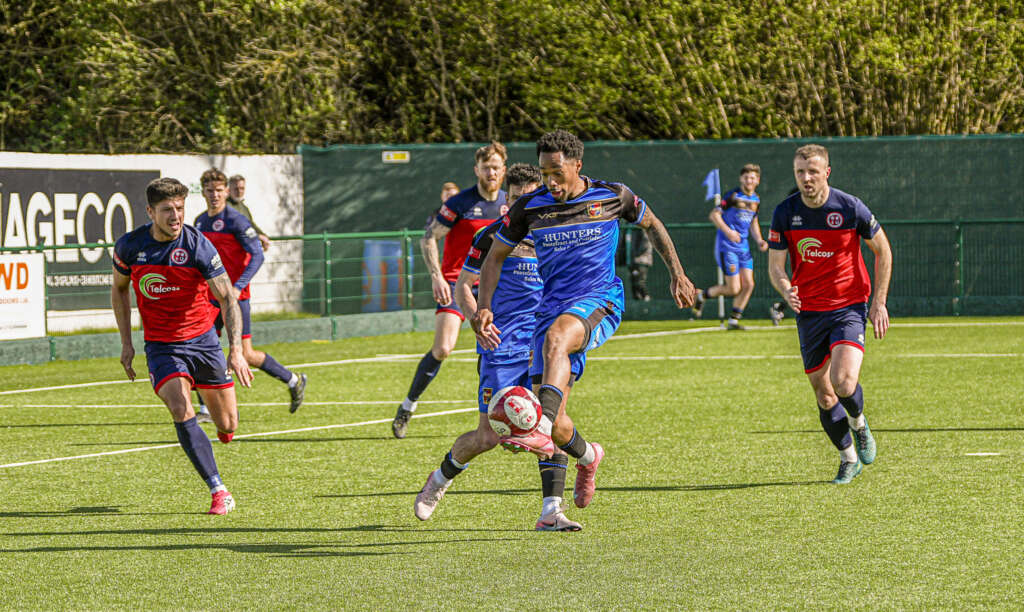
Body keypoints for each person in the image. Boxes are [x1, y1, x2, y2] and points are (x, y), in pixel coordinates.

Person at [472, 130, 697, 509]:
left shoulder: (612, 195)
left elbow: (652, 224)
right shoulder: (530, 207)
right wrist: (484, 306)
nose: (551, 181)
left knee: (557, 342)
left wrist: (677, 272)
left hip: (600, 300)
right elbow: (494, 257)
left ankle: (540, 427)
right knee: (560, 423)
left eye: (557, 172)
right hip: (550, 311)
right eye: (545, 173)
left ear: (578, 165)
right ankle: (589, 457)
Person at [414, 164, 581, 531]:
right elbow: (463, 285)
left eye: (530, 199)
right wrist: (476, 318)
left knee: (552, 424)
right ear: (507, 200)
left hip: (544, 347)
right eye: (517, 199)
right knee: (488, 436)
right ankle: (438, 481)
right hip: (501, 348)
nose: (523, 206)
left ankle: (551, 511)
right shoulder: (491, 237)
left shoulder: (556, 238)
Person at [111, 177, 254, 515]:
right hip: (162, 347)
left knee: (228, 424)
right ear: (150, 212)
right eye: (167, 210)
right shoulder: (130, 247)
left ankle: (222, 427)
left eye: (179, 208)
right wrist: (126, 343)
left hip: (204, 343)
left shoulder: (197, 245)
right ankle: (218, 490)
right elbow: (119, 289)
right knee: (180, 407)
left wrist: (235, 350)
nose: (175, 216)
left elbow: (227, 298)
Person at [767, 144, 892, 484]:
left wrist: (879, 302)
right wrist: (785, 289)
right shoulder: (785, 212)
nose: (806, 178)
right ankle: (848, 459)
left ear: (827, 172)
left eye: (812, 171)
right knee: (824, 396)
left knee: (844, 381)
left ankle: (859, 423)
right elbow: (776, 266)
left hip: (848, 306)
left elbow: (883, 250)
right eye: (800, 172)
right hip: (809, 312)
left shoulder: (849, 207)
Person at [391, 143, 509, 438]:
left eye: (496, 167)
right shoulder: (460, 203)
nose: (491, 173)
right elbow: (429, 238)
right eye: (486, 167)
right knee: (443, 348)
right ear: (476, 170)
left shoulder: (509, 203)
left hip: (495, 287)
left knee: (495, 347)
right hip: (458, 284)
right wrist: (437, 277)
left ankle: (496, 415)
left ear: (504, 170)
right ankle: (408, 405)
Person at [195, 168, 307, 414]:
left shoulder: (236, 220)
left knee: (246, 354)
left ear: (226, 192)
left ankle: (293, 380)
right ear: (202, 192)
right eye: (209, 190)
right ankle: (204, 410)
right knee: (200, 348)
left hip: (236, 299)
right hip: (209, 298)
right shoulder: (200, 221)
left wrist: (237, 287)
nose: (214, 195)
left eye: (218, 190)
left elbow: (257, 255)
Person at [691, 164, 768, 329]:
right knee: (733, 289)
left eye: (752, 178)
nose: (749, 181)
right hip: (727, 247)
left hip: (744, 248)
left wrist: (760, 240)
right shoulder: (733, 196)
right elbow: (714, 215)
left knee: (749, 284)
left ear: (758, 181)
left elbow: (753, 221)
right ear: (741, 179)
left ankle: (733, 321)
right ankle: (701, 296)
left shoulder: (756, 199)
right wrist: (729, 232)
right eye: (746, 177)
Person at [227, 175, 272, 252]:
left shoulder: (244, 208)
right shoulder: (225, 206)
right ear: (229, 190)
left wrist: (263, 235)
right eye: (236, 189)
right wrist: (258, 236)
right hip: (230, 250)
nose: (239, 191)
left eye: (242, 188)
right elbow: (237, 228)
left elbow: (251, 225)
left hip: (245, 250)